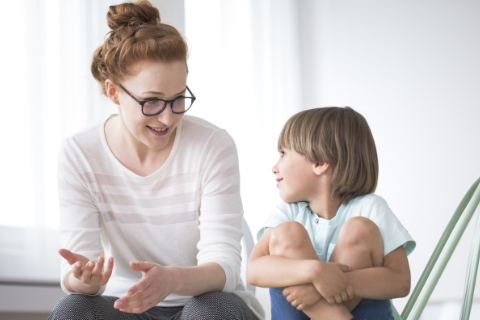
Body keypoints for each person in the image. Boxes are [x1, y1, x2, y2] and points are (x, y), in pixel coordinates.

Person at [48, 1, 264, 319]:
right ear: (113, 92)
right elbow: (77, 268)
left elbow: (226, 266)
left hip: (201, 302)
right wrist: (82, 279)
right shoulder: (80, 153)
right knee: (73, 309)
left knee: (214, 309)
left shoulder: (213, 145)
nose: (166, 117)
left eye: (178, 99)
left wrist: (174, 279)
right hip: (126, 305)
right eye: (151, 101)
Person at [247, 107, 416, 320]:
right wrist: (315, 272)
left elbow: (400, 281)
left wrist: (328, 285)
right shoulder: (288, 212)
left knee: (359, 229)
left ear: (319, 163)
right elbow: (253, 270)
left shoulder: (371, 208)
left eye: (283, 154)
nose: (275, 166)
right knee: (287, 233)